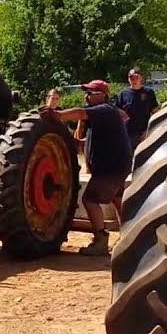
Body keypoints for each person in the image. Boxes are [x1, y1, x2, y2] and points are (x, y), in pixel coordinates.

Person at [42, 80, 130, 257]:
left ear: (103, 95)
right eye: (86, 92)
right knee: (117, 198)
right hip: (116, 166)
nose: (86, 96)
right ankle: (130, 234)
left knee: (90, 199)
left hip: (110, 168)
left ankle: (100, 240)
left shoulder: (105, 110)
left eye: (91, 93)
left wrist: (57, 116)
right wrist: (73, 142)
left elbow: (80, 113)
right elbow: (85, 144)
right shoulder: (102, 116)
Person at [115, 68, 159, 148]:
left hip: (145, 132)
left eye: (136, 77)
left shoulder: (149, 92)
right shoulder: (123, 93)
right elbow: (117, 113)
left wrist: (148, 131)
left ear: (141, 78)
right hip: (128, 134)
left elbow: (155, 113)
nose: (134, 80)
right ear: (128, 79)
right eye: (131, 77)